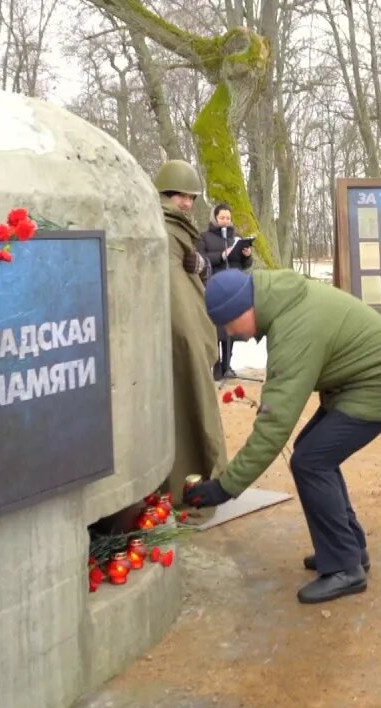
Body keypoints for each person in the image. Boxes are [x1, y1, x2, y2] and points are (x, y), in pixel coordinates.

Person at [185, 268, 381, 604]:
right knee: (312, 454)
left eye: (229, 324)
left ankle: (345, 568)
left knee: (311, 460)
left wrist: (225, 487)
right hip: (360, 382)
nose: (231, 333)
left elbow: (275, 423)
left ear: (243, 309)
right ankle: (349, 550)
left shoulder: (293, 328)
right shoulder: (282, 303)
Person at [153, 159, 229, 524]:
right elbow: (175, 302)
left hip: (192, 339)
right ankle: (192, 483)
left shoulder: (179, 233)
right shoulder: (164, 232)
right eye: (182, 196)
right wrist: (194, 340)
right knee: (188, 411)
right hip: (181, 342)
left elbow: (191, 274)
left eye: (190, 197)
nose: (188, 203)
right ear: (165, 195)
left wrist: (199, 264)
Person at [197, 203, 254, 380]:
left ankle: (227, 364)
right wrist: (222, 255)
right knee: (216, 327)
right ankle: (216, 365)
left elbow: (245, 265)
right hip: (215, 285)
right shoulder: (204, 237)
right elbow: (201, 258)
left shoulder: (235, 237)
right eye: (222, 218)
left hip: (234, 287)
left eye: (228, 218)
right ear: (215, 218)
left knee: (231, 327)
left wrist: (247, 255)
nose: (225, 221)